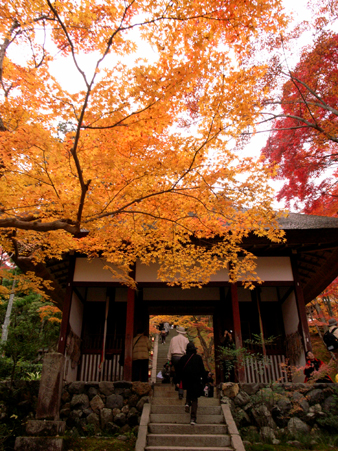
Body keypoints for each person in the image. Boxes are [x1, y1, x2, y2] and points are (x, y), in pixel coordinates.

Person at [176, 342, 207, 425]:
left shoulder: (183, 358)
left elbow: (178, 371)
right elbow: (202, 371)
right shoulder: (198, 358)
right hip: (196, 380)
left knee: (189, 391)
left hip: (186, 380)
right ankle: (193, 418)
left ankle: (187, 403)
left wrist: (178, 381)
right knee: (195, 398)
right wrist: (205, 380)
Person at [167, 326, 189, 399]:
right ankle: (180, 390)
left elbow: (170, 349)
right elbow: (188, 350)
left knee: (176, 372)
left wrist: (169, 359)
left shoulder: (173, 339)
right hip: (183, 357)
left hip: (175, 356)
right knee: (182, 373)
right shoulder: (186, 340)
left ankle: (177, 384)